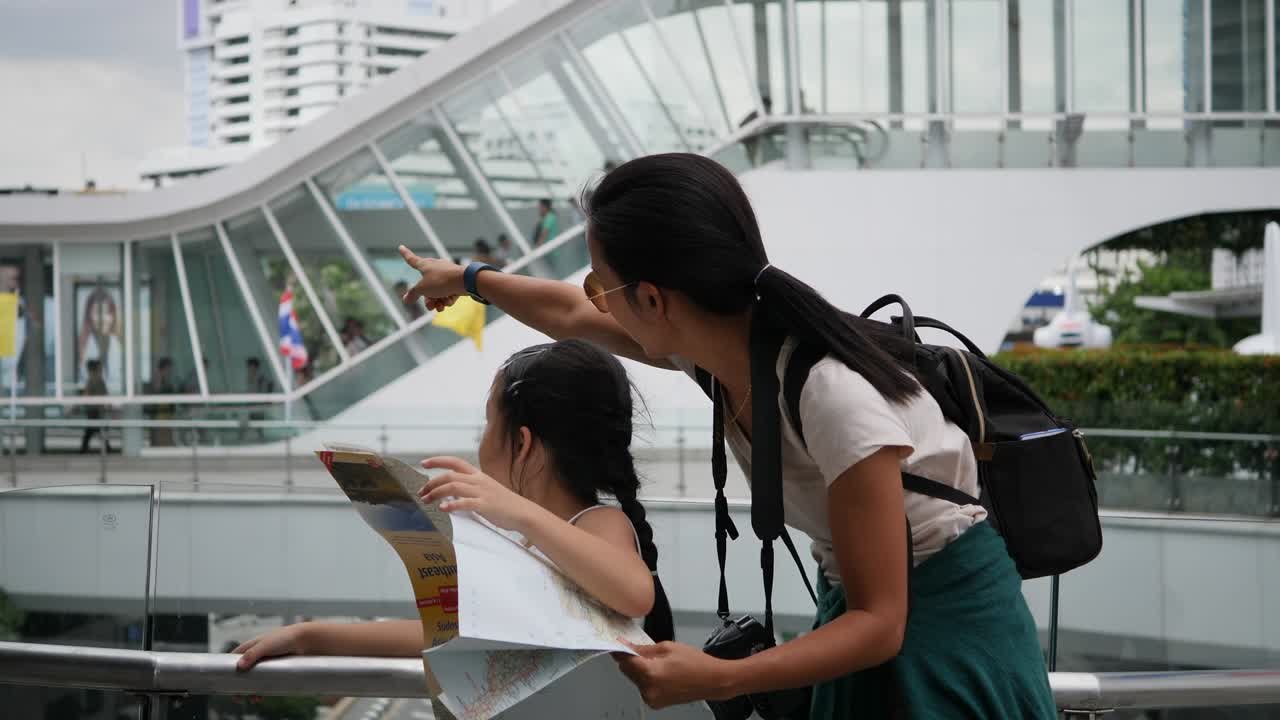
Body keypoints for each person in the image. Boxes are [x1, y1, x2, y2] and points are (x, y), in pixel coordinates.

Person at [397, 153, 1056, 719]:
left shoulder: (834, 399)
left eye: (602, 284)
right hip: (863, 611)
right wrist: (466, 280)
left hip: (946, 637)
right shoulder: (722, 353)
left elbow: (881, 625)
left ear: (653, 299)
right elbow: (566, 314)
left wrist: (719, 678)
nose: (593, 299)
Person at [232, 339, 674, 668]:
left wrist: (516, 511)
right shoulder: (525, 539)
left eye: (487, 423)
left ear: (523, 444)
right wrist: (311, 637)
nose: (480, 443)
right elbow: (454, 634)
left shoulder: (598, 521)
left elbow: (634, 593)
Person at [79, 359, 111, 454]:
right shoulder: (99, 380)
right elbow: (105, 394)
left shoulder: (92, 380)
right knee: (98, 428)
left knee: (91, 429)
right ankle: (106, 447)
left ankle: (84, 449)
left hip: (93, 409)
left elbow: (86, 394)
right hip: (98, 409)